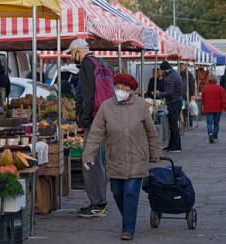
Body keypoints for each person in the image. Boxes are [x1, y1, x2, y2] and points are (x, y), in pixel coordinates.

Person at [83, 73, 162, 241]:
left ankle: (128, 229)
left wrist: (155, 153)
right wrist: (88, 155)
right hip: (115, 157)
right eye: (118, 87)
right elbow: (96, 133)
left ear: (132, 90)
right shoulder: (106, 107)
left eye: (125, 88)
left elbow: (151, 131)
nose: (121, 91)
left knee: (131, 193)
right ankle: (128, 217)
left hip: (137, 157)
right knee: (117, 193)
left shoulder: (141, 106)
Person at [65, 39, 108, 217]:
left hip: (94, 119)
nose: (71, 58)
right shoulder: (100, 62)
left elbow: (89, 96)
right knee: (98, 160)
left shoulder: (86, 65)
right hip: (103, 115)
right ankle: (99, 201)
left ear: (77, 52)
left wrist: (83, 119)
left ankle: (98, 204)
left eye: (71, 54)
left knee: (90, 160)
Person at [156, 61, 183, 152]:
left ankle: (177, 146)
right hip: (177, 101)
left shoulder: (170, 77)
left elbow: (170, 93)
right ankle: (171, 144)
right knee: (173, 124)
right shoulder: (175, 75)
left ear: (164, 69)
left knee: (173, 125)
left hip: (173, 102)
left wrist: (159, 93)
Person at [202, 74, 226, 143]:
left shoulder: (205, 88)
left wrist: (204, 105)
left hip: (208, 108)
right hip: (217, 108)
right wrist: (224, 107)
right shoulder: (220, 88)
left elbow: (203, 99)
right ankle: (215, 137)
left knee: (209, 122)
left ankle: (210, 133)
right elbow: (223, 99)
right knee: (216, 123)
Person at [180, 63, 195, 129]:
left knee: (186, 110)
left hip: (186, 94)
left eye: (181, 67)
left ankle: (189, 123)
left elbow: (191, 85)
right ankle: (185, 124)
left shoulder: (188, 74)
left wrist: (192, 94)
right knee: (184, 110)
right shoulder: (181, 74)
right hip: (183, 93)